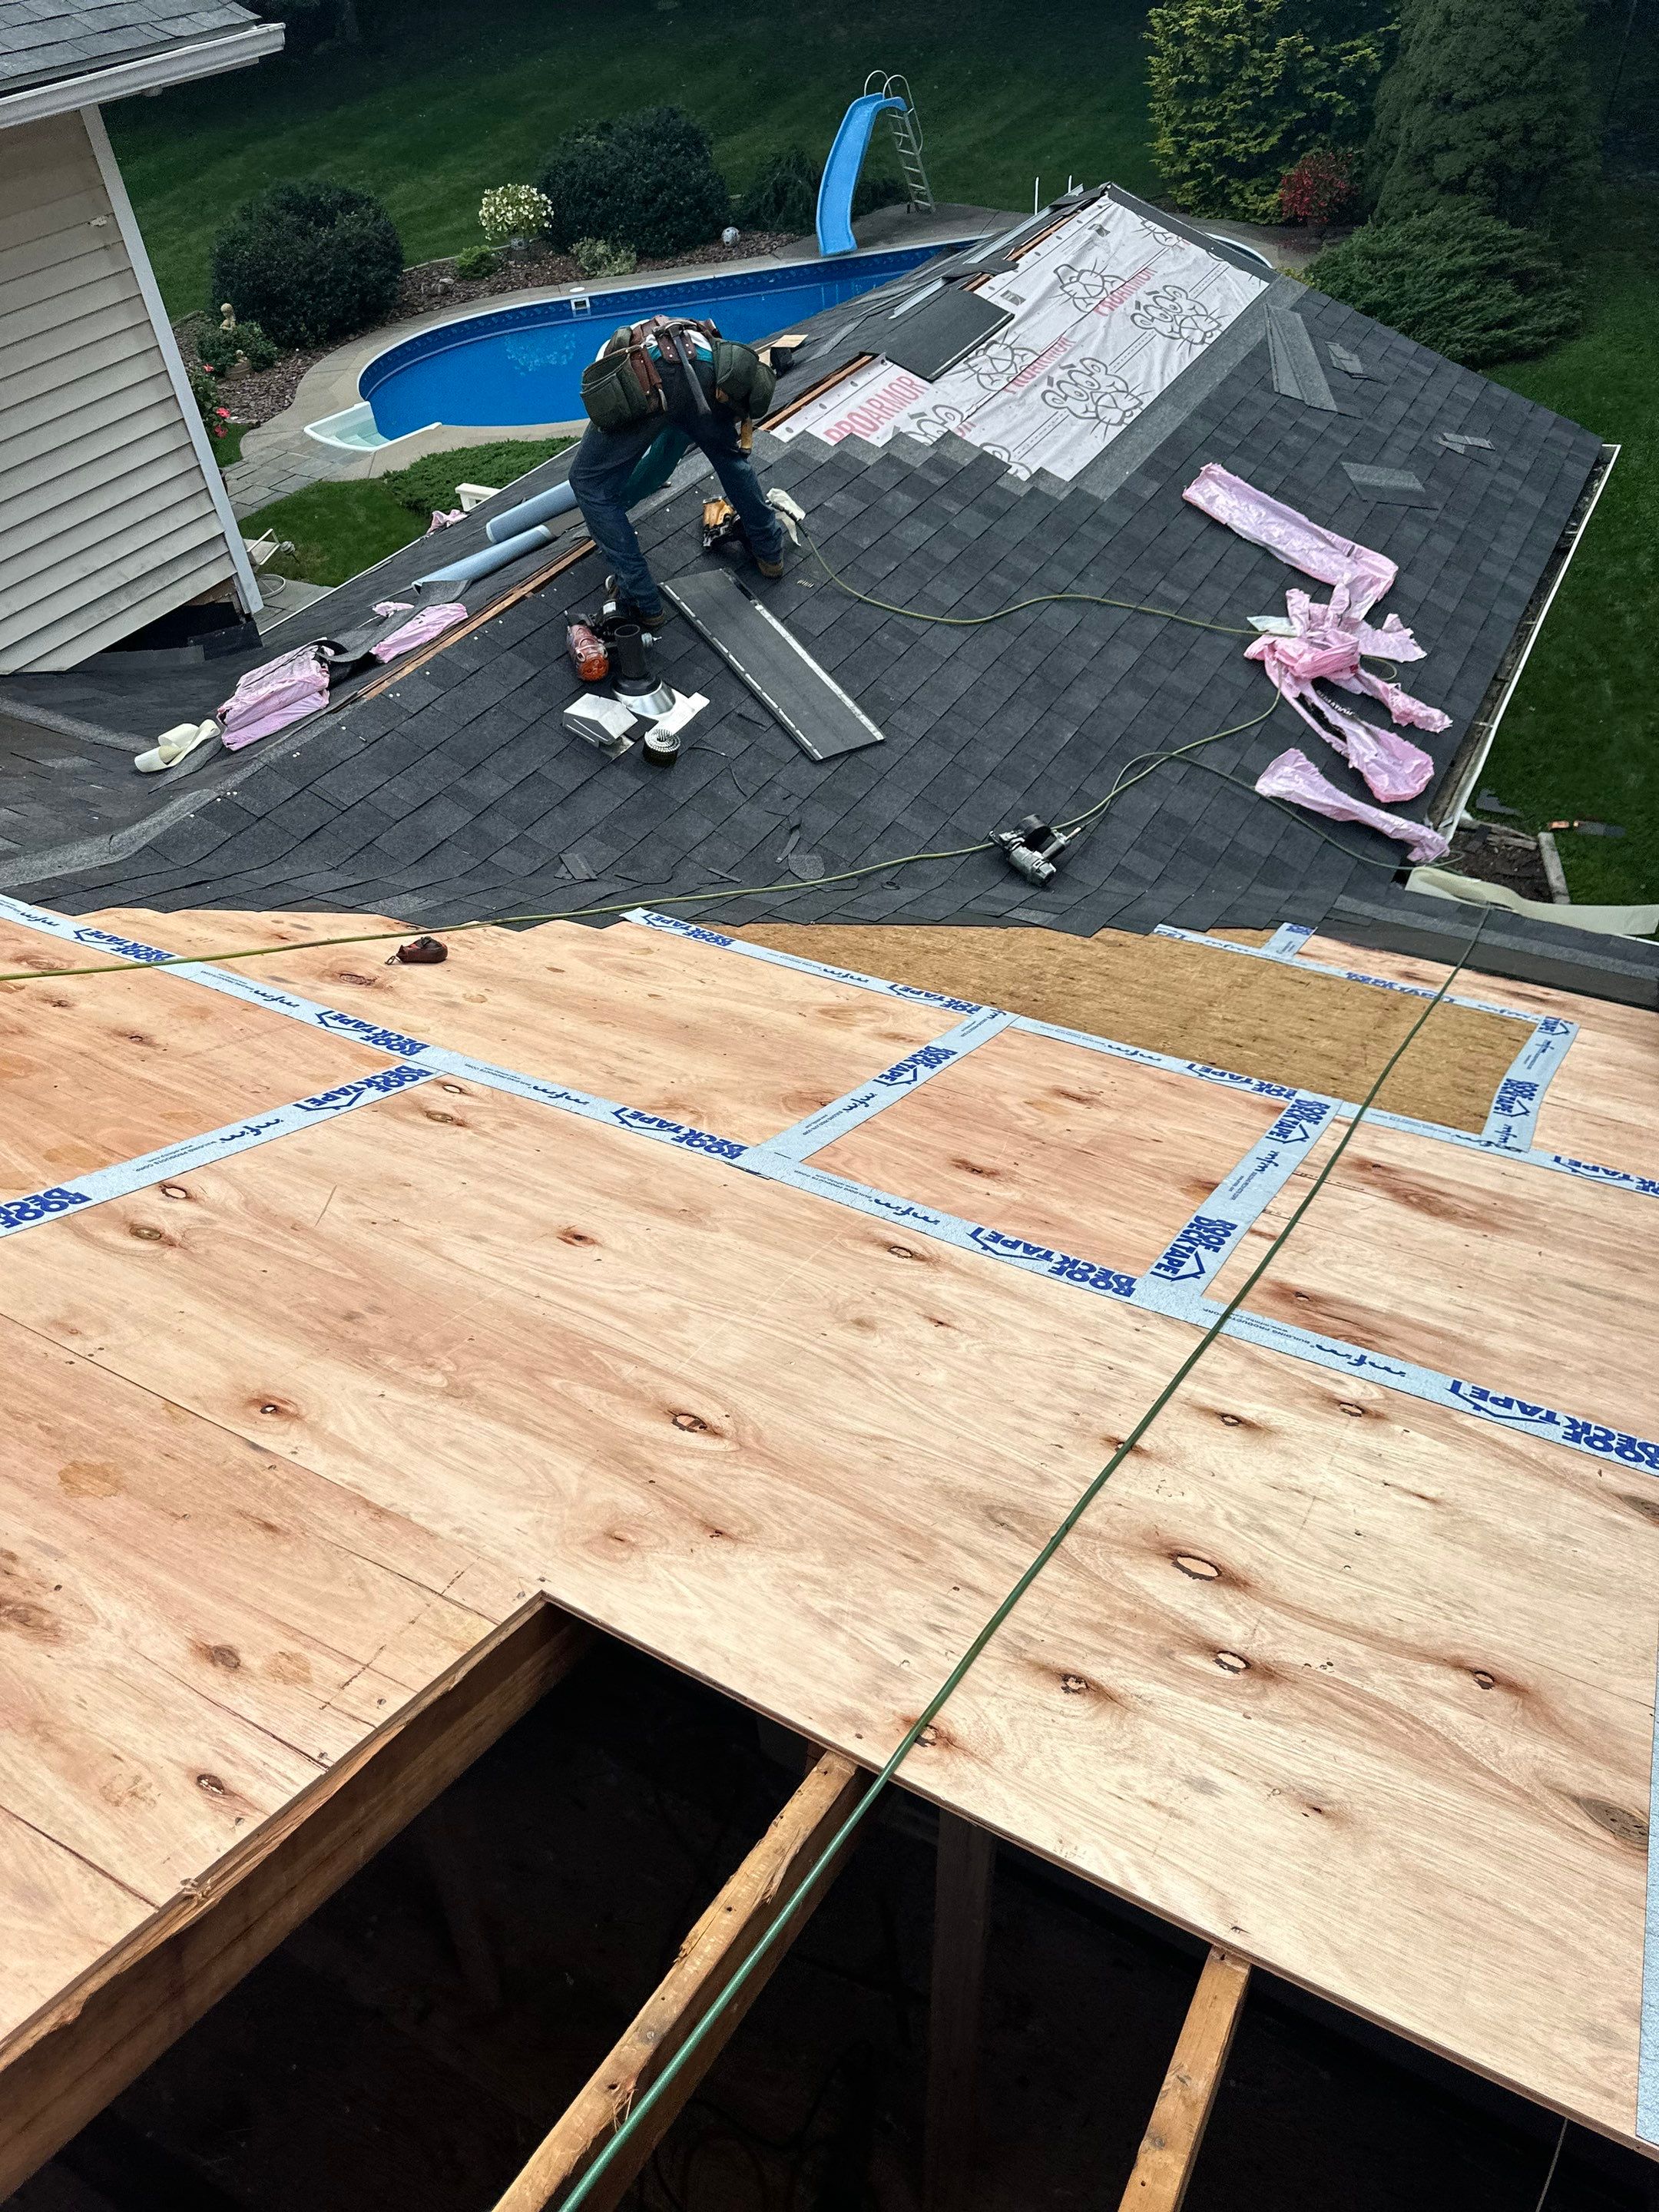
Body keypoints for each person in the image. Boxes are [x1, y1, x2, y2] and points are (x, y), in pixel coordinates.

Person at [569, 320, 787, 631]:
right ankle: (770, 554)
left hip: (648, 376)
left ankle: (642, 600)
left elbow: (647, 454)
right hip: (704, 372)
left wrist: (611, 510)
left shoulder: (613, 372)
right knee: (729, 459)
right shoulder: (696, 335)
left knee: (587, 482)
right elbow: (664, 455)